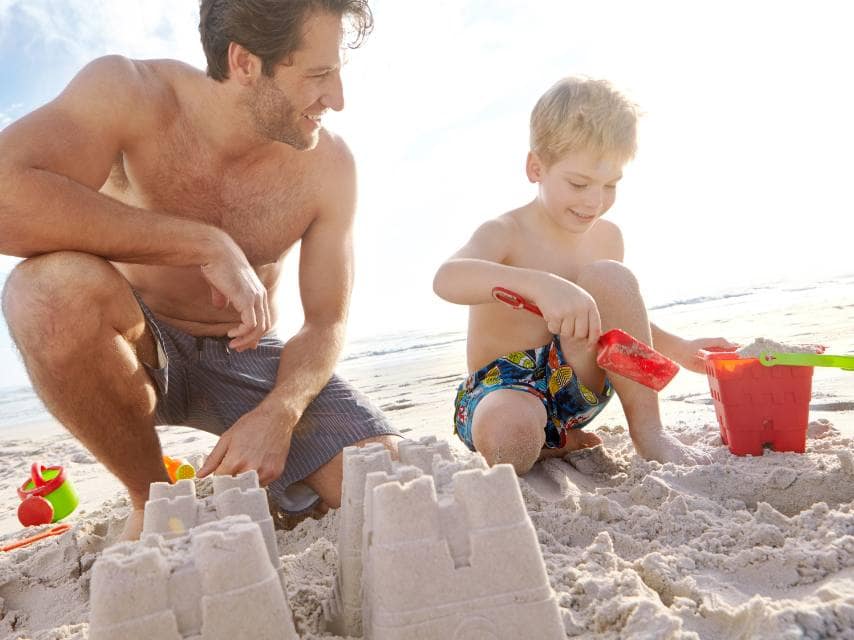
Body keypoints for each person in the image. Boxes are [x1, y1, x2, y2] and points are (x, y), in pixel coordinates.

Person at [0, 0, 400, 539]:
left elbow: (326, 320)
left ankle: (280, 486)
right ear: (244, 62)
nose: (338, 99)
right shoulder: (130, 92)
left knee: (385, 481)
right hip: (132, 344)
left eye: (337, 72)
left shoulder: (330, 168)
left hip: (246, 355)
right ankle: (153, 500)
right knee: (44, 291)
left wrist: (279, 413)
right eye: (318, 74)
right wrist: (200, 244)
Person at [433, 76, 734, 474]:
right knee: (511, 441)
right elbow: (447, 279)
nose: (594, 201)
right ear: (535, 167)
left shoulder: (607, 238)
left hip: (582, 386)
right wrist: (538, 284)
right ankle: (546, 440)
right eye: (578, 183)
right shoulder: (506, 232)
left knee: (611, 277)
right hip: (505, 389)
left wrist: (680, 348)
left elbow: (619, 322)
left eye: (610, 185)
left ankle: (650, 432)